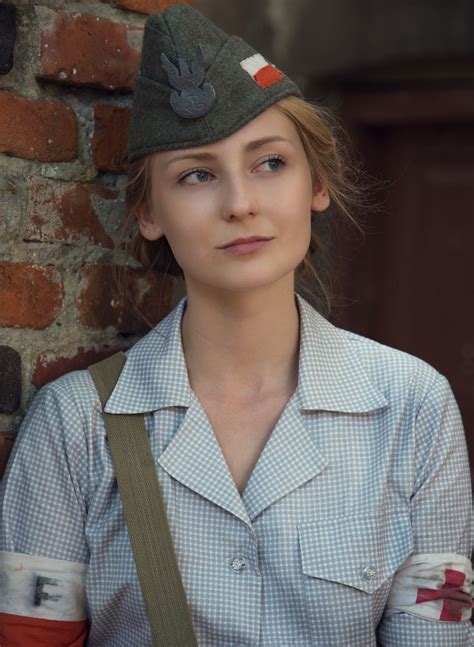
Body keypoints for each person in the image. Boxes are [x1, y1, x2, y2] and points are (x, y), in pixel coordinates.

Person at [0, 4, 472, 646]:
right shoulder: (75, 425)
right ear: (148, 213)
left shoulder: (414, 407)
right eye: (197, 174)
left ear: (317, 183)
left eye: (270, 162)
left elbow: (437, 636)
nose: (240, 203)